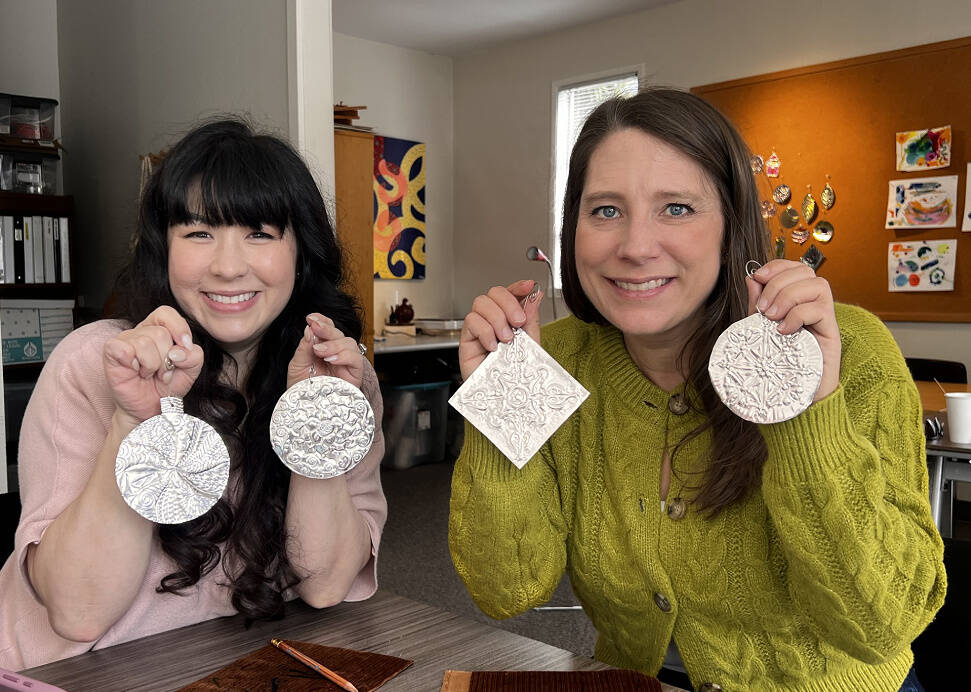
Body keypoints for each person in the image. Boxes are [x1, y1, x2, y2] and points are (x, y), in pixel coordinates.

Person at [449, 88, 945, 692]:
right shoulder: (555, 359)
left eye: (677, 208)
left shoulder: (848, 349)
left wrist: (805, 405)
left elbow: (882, 623)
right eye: (605, 210)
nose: (633, 246)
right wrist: (503, 408)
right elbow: (505, 590)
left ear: (731, 227)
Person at [0, 119, 387, 670]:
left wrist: (315, 419)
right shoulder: (95, 362)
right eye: (199, 233)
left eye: (260, 233)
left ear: (301, 254)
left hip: (235, 666)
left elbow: (324, 585)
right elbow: (78, 613)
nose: (228, 268)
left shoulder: (339, 379)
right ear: (164, 249)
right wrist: (135, 421)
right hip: (74, 674)